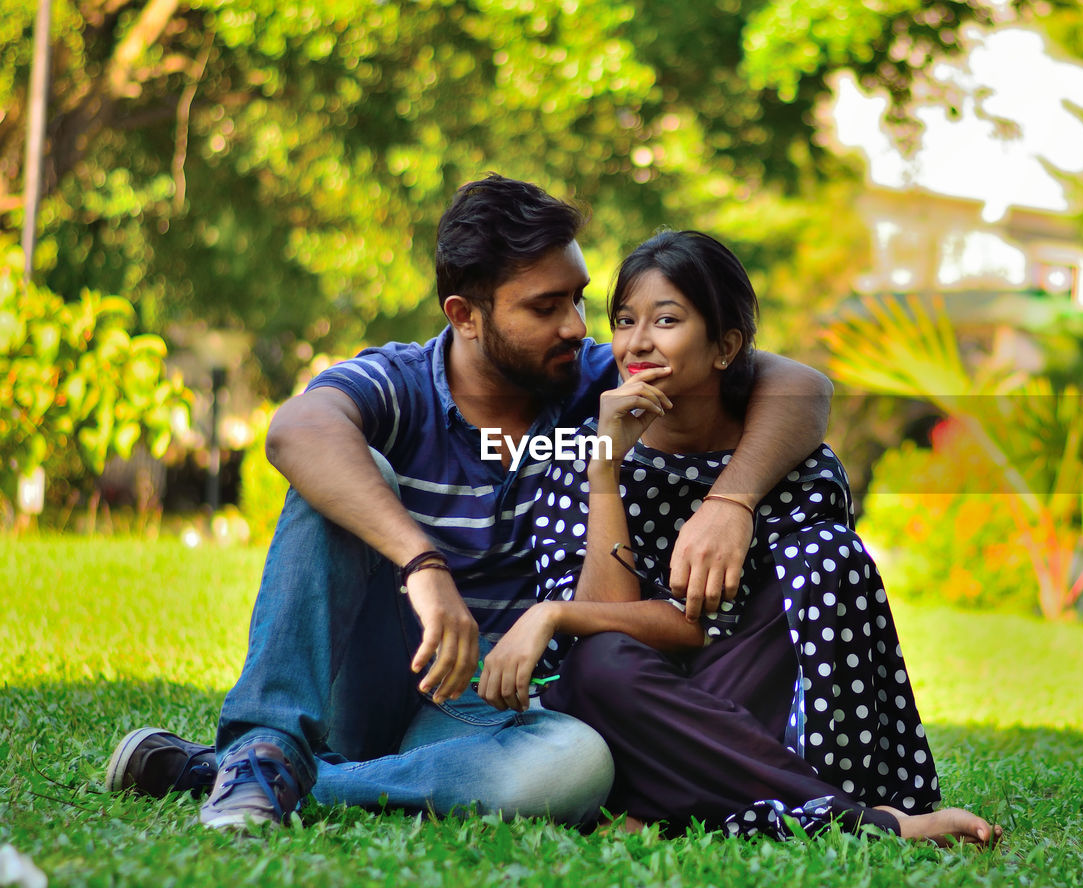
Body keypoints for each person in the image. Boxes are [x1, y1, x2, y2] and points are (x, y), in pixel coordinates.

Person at [105, 177, 837, 830]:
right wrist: (423, 565)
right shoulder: (402, 385)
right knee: (344, 476)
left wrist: (730, 502)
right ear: (466, 315)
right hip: (377, 667)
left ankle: (267, 777)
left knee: (578, 766)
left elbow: (801, 386)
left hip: (492, 701)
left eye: (579, 300)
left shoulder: (592, 384)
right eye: (546, 307)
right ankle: (264, 743)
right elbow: (295, 430)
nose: (578, 328)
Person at [474, 230, 1001, 844]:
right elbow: (608, 620)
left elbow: (712, 626)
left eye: (666, 320)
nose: (637, 342)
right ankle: (858, 823)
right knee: (600, 663)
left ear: (725, 346)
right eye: (623, 320)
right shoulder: (579, 458)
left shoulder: (791, 465)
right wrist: (605, 476)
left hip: (750, 698)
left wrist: (731, 503)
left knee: (831, 557)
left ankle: (689, 808)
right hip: (635, 702)